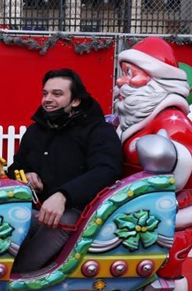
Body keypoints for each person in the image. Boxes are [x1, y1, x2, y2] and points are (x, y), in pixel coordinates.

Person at [113, 37, 192, 291]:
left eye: (130, 74)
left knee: (163, 261)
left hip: (169, 210)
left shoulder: (171, 119)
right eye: (122, 74)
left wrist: (171, 155)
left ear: (156, 79)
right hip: (130, 205)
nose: (121, 82)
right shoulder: (130, 117)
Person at [8, 68, 123, 273]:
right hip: (35, 209)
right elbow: (16, 167)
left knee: (62, 221)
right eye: (45, 93)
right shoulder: (36, 130)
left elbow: (107, 169)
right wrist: (27, 175)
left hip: (80, 215)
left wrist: (64, 195)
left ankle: (17, 279)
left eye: (57, 94)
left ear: (75, 100)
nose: (48, 99)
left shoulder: (98, 131)